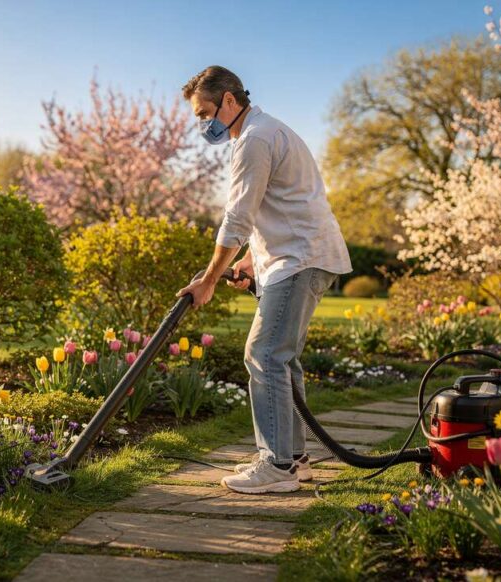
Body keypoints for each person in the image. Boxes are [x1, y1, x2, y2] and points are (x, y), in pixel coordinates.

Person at [176, 65, 352, 494]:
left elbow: (238, 217)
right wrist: (252, 265)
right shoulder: (267, 131)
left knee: (264, 355)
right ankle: (294, 459)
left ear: (230, 101)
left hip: (299, 258)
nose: (203, 124)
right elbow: (281, 207)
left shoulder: (254, 139)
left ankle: (277, 466)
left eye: (205, 113)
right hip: (295, 256)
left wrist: (210, 279)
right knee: (281, 360)